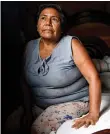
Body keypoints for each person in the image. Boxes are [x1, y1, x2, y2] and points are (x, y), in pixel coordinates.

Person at [23, 4, 101, 134]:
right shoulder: (29, 47)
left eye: (54, 19)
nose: (47, 23)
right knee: (11, 126)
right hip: (38, 105)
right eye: (43, 18)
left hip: (72, 102)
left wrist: (93, 114)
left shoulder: (71, 43)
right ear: (37, 26)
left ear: (62, 28)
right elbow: (24, 81)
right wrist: (27, 110)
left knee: (38, 130)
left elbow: (93, 78)